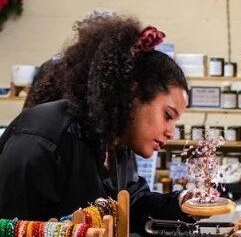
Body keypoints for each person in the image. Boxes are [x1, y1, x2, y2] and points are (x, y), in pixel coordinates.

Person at [0, 12, 193, 233]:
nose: (171, 132)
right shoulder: (42, 140)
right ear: (133, 94)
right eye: (167, 115)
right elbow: (10, 227)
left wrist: (183, 203)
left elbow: (130, 205)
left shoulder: (117, 142)